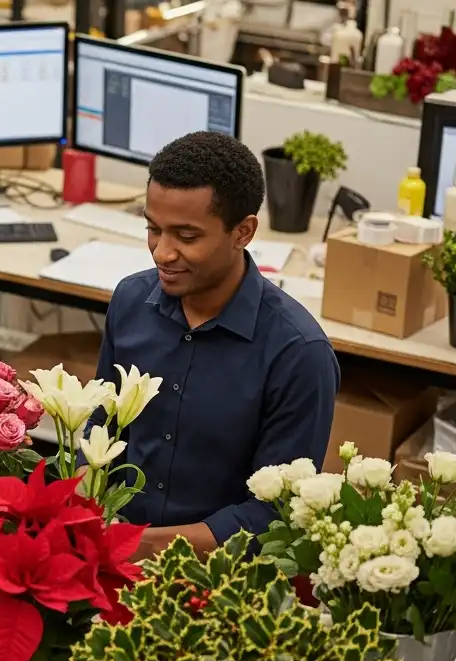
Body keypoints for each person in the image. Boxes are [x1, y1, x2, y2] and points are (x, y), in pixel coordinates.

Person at [90, 131, 340, 560]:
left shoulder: (299, 354)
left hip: (223, 577)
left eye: (186, 237)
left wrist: (142, 545)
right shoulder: (130, 303)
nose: (162, 253)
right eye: (154, 229)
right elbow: (102, 438)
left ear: (242, 232)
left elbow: (277, 512)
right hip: (113, 554)